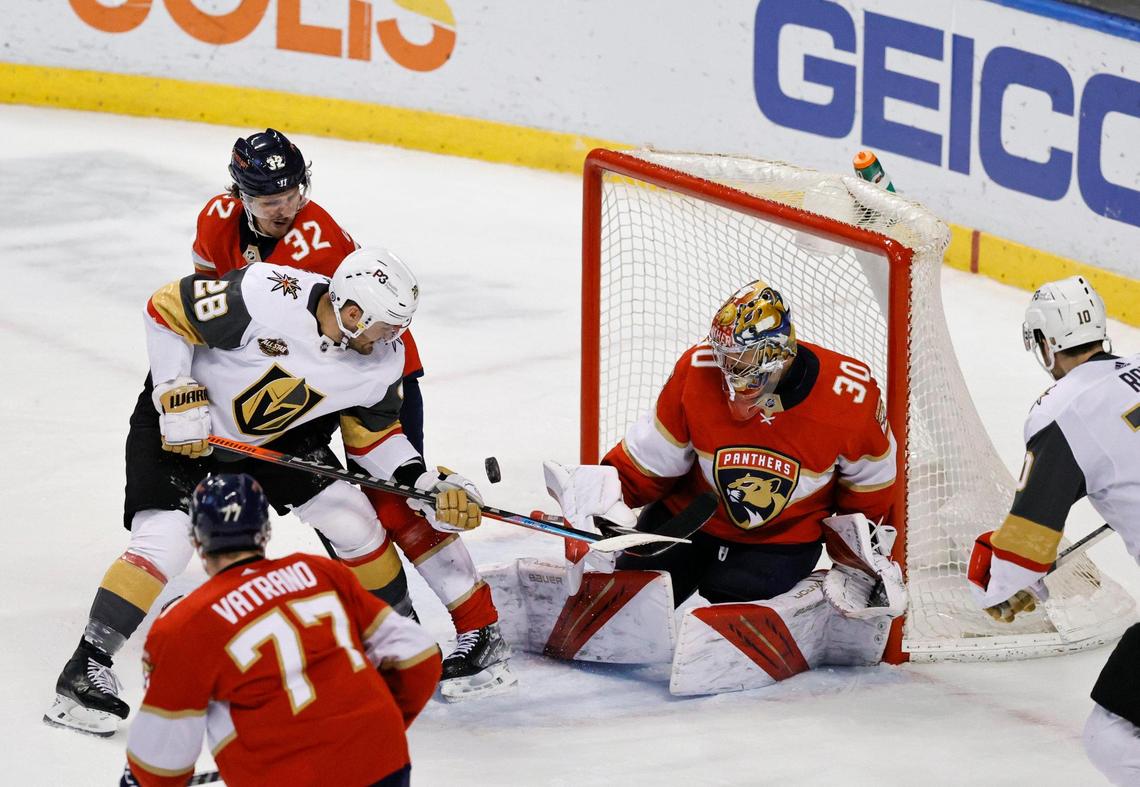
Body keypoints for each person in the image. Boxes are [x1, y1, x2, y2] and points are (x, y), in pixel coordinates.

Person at [45, 247, 483, 736]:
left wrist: (423, 483)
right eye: (388, 326)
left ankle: (398, 640)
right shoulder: (265, 293)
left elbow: (375, 438)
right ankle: (84, 668)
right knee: (164, 542)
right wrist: (173, 389)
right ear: (353, 314)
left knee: (353, 518)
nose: (395, 338)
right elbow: (166, 307)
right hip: (188, 425)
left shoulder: (382, 359)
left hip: (278, 436)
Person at [192, 128, 511, 699]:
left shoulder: (316, 241)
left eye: (293, 192)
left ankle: (479, 629)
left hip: (370, 377)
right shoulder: (215, 221)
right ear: (239, 196)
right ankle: (398, 634)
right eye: (270, 200)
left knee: (397, 501)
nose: (287, 207)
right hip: (300, 380)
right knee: (341, 514)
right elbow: (209, 308)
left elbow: (356, 337)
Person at [518, 280, 906, 694]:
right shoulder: (698, 369)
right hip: (687, 522)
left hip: (780, 539)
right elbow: (653, 459)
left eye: (744, 358)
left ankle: (798, 608)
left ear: (778, 353)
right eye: (727, 357)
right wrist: (605, 501)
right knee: (634, 593)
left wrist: (859, 557)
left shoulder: (850, 396)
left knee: (734, 593)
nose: (730, 369)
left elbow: (871, 489)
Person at [120, 473, 441, 787]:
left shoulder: (183, 624)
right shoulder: (321, 573)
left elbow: (160, 760)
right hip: (381, 759)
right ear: (264, 530)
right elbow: (419, 654)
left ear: (197, 539)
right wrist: (372, 724)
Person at [968, 275, 1140, 785]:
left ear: (1045, 343)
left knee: (1112, 737)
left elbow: (1028, 536)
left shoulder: (1061, 410)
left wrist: (1008, 588)